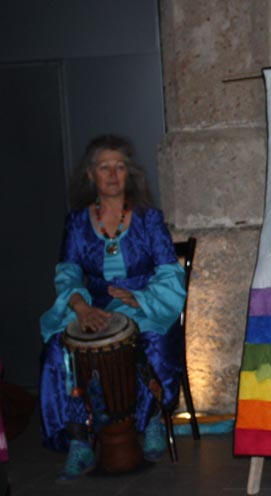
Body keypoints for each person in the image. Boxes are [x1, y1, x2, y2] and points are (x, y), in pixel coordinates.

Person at [39, 135, 186, 480]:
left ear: (129, 173)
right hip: (93, 304)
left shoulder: (148, 218)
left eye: (120, 166)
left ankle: (151, 418)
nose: (113, 174)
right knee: (58, 347)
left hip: (144, 301)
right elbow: (68, 271)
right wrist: (80, 307)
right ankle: (79, 439)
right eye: (104, 167)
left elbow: (169, 271)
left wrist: (141, 298)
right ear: (90, 174)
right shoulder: (77, 222)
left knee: (150, 341)